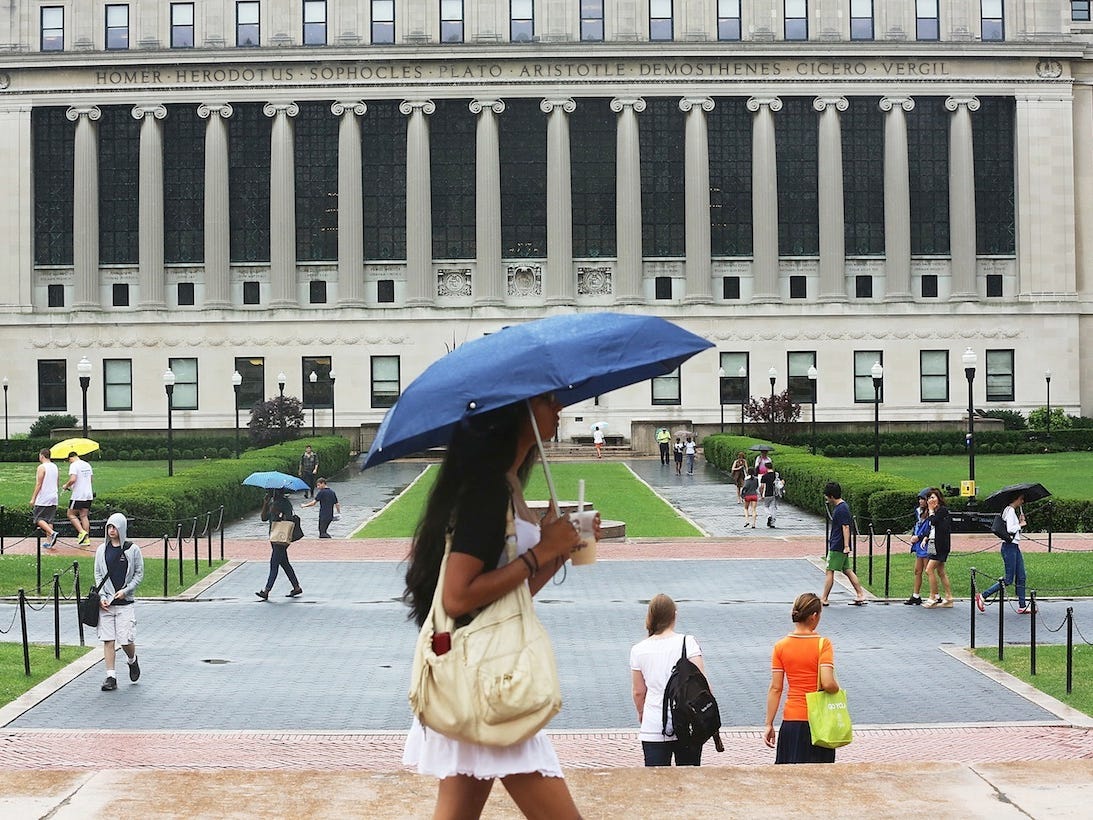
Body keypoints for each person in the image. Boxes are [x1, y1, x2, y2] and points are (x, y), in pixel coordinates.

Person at [402, 393, 586, 820]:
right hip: (492, 683)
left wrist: (557, 549)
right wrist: (541, 553)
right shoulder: (487, 491)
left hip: (481, 677)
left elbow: (508, 597)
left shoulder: (506, 483)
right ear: (518, 413)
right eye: (548, 401)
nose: (558, 408)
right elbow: (457, 595)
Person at [763, 592, 840, 764]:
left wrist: (769, 723)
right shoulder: (823, 644)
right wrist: (837, 688)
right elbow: (828, 682)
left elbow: (776, 688)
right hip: (818, 722)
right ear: (814, 616)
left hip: (792, 721)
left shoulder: (780, 646)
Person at [630, 594, 706, 767]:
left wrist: (642, 712)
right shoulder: (688, 643)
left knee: (656, 785)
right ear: (675, 615)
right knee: (689, 782)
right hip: (687, 723)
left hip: (654, 724)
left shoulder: (638, 650)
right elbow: (703, 685)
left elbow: (638, 692)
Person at [94, 513, 144, 691]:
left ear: (121, 528)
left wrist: (126, 591)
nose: (111, 530)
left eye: (114, 527)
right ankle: (111, 676)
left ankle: (132, 660)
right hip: (107, 603)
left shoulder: (132, 550)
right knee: (108, 640)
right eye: (109, 527)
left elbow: (139, 574)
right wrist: (102, 597)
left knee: (125, 640)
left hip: (125, 603)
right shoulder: (101, 550)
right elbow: (98, 574)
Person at [976, 494, 1031, 614]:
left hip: (1014, 547)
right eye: (1021, 498)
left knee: (1021, 576)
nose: (1022, 501)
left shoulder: (1009, 510)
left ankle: (1022, 605)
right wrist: (1021, 524)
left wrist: (1020, 522)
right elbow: (1010, 529)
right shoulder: (1010, 511)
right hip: (1009, 547)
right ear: (1016, 498)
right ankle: (983, 595)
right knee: (1008, 579)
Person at [821, 482, 867, 606]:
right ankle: (860, 594)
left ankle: (824, 598)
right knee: (847, 570)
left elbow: (846, 527)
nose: (826, 498)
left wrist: (846, 546)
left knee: (829, 570)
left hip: (838, 545)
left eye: (827, 496)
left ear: (831, 496)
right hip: (839, 544)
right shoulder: (842, 507)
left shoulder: (841, 509)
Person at [257, 488, 302, 599]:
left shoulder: (285, 503)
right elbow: (263, 518)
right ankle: (296, 587)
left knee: (274, 563)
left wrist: (278, 514)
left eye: (270, 492)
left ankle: (267, 590)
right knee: (285, 563)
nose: (269, 493)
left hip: (282, 538)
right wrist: (265, 504)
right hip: (273, 537)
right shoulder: (272, 503)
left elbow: (289, 519)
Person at [921, 488, 954, 608]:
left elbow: (934, 521)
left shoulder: (942, 511)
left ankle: (933, 596)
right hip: (932, 543)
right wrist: (926, 537)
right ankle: (949, 597)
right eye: (929, 498)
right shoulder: (934, 512)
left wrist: (930, 511)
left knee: (929, 570)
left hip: (940, 545)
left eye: (933, 497)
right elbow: (931, 527)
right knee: (941, 572)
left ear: (939, 498)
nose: (931, 500)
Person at [904, 489, 931, 605]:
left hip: (925, 544)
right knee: (917, 570)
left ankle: (934, 595)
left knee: (928, 570)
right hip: (919, 544)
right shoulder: (919, 512)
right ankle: (916, 595)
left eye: (923, 499)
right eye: (919, 499)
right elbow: (917, 525)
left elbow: (930, 530)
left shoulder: (931, 513)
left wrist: (919, 537)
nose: (920, 501)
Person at [62, 451, 94, 546]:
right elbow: (91, 479)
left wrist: (66, 486)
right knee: (84, 515)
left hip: (78, 495)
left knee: (70, 514)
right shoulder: (87, 465)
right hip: (88, 494)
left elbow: (73, 479)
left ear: (71, 458)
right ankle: (86, 539)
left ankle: (82, 532)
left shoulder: (74, 465)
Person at [30, 448, 59, 549]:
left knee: (38, 519)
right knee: (49, 520)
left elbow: (39, 484)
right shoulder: (55, 466)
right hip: (53, 496)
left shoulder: (42, 467)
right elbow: (57, 481)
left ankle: (52, 533)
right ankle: (49, 541)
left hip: (44, 497)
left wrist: (33, 498)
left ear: (42, 456)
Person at [759, 464, 780, 528]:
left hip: (767, 493)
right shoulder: (776, 474)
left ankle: (769, 515)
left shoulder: (764, 476)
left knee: (766, 506)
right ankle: (772, 523)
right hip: (775, 493)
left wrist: (761, 494)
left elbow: (762, 487)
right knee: (773, 508)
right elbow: (782, 481)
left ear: (766, 468)